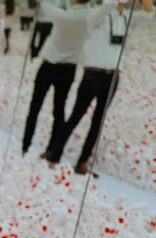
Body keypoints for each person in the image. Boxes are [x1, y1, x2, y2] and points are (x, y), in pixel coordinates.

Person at [45, 0, 151, 173]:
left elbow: (147, 13)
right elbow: (103, 10)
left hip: (112, 75)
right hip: (93, 74)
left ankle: (83, 161)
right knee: (76, 116)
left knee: (98, 121)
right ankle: (54, 155)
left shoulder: (125, 17)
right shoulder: (97, 13)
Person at [20, 0, 112, 157]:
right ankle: (51, 148)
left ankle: (25, 145)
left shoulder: (63, 15)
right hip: (69, 68)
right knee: (59, 109)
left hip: (49, 65)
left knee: (35, 105)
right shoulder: (90, 15)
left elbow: (44, 4)